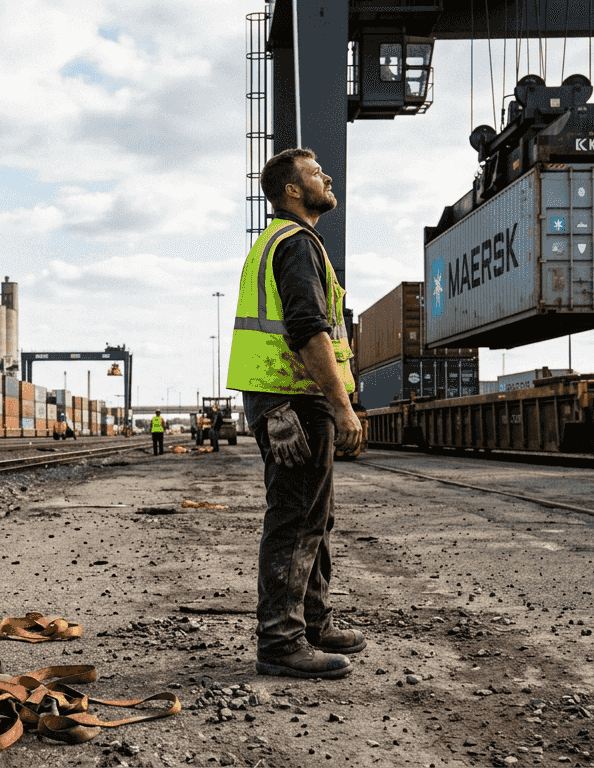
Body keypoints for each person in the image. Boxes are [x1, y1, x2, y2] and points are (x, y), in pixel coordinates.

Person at [226, 147, 365, 680]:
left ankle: (313, 623)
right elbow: (309, 329)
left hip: (286, 398)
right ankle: (280, 642)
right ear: (292, 190)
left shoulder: (285, 242)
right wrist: (342, 405)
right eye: (315, 174)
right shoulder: (295, 243)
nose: (327, 177)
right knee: (295, 518)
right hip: (291, 399)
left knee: (316, 516)